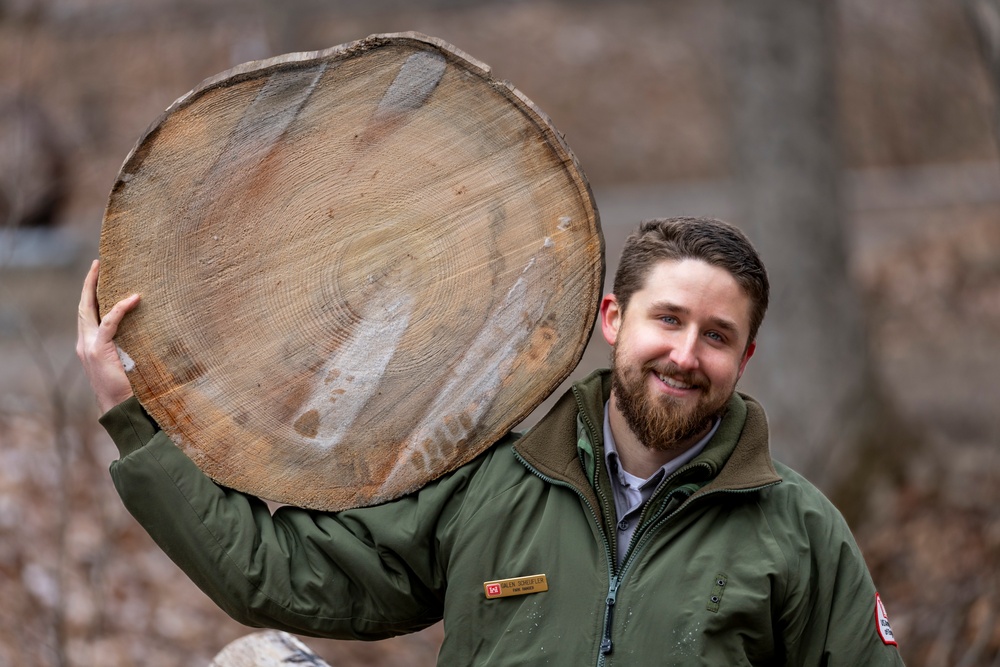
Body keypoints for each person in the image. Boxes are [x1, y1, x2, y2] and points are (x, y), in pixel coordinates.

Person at [77, 216, 905, 665]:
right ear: (614, 322)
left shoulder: (796, 529)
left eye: (717, 335)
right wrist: (131, 416)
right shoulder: (493, 482)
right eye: (668, 320)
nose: (686, 354)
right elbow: (279, 574)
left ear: (745, 356)